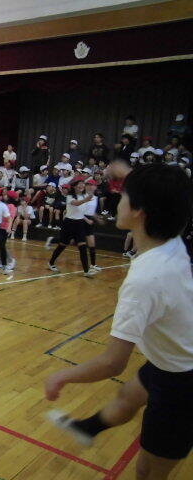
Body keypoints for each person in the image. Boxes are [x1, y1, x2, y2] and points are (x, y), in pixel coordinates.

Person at [45, 162, 193, 480]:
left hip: (183, 383)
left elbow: (112, 363)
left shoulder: (146, 279)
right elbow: (166, 195)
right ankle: (88, 428)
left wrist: (62, 376)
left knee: (149, 470)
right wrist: (132, 176)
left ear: (139, 211)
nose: (118, 200)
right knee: (129, 395)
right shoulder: (173, 241)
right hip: (172, 361)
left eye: (124, 195)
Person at [47, 179, 96, 277]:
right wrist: (86, 200)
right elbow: (76, 203)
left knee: (82, 247)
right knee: (62, 245)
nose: (82, 186)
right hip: (69, 224)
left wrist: (86, 220)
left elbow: (81, 212)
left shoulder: (85, 195)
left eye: (83, 184)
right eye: (79, 184)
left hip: (80, 224)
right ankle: (51, 262)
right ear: (74, 186)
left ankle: (86, 271)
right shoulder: (70, 197)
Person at [82, 178, 103, 271]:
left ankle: (93, 264)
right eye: (88, 185)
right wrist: (87, 220)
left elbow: (92, 211)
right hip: (81, 221)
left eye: (92, 185)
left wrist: (98, 219)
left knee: (92, 244)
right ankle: (52, 240)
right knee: (68, 241)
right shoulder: (82, 196)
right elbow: (79, 211)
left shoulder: (95, 198)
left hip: (89, 222)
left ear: (95, 187)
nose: (90, 187)